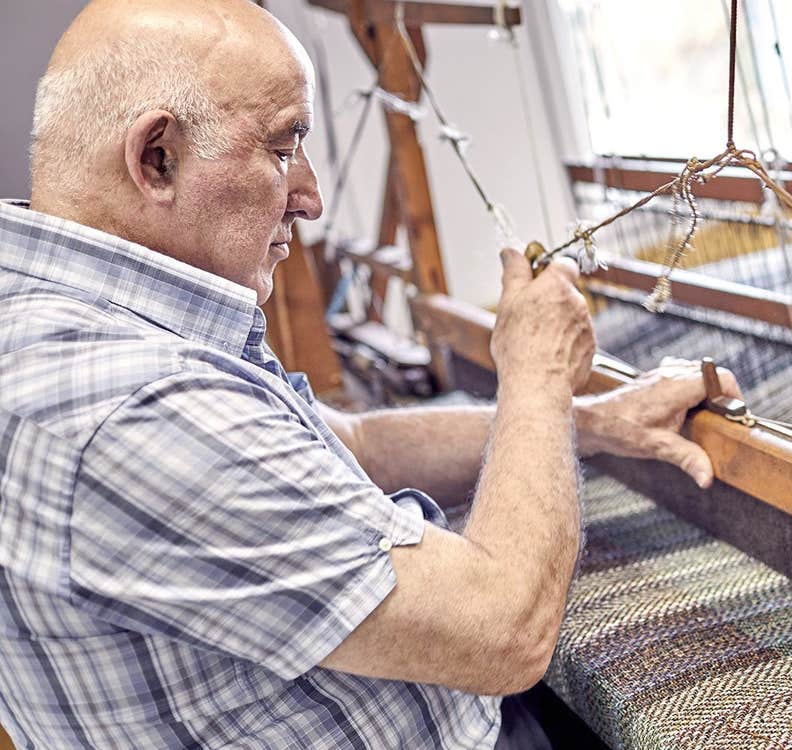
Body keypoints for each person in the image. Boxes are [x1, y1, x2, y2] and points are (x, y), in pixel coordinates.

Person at [0, 0, 737, 747]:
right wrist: (539, 377)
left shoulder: (59, 318)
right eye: (284, 148)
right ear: (157, 158)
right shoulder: (133, 407)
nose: (312, 197)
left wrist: (597, 423)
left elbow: (348, 445)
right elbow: (505, 628)